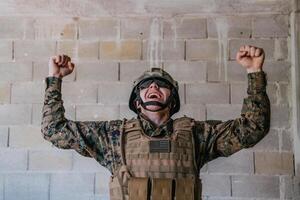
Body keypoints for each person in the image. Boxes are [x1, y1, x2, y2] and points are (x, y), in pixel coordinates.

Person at [42, 45, 270, 200]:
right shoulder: (112, 135)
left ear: (172, 99)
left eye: (161, 85)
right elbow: (53, 129)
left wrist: (254, 72)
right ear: (137, 101)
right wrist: (55, 79)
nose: (153, 88)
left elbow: (252, 129)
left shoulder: (197, 134)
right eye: (145, 86)